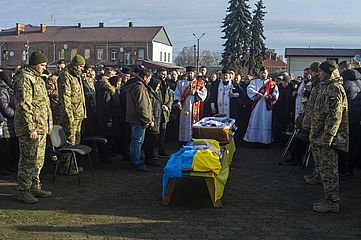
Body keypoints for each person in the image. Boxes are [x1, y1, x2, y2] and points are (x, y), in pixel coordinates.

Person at [13, 52, 53, 203]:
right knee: (28, 160)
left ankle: (35, 186)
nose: (44, 68)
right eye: (42, 65)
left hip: (41, 127)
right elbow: (24, 105)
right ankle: (23, 191)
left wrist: (47, 125)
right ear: (34, 64)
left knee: (38, 160)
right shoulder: (24, 78)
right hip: (30, 128)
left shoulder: (38, 79)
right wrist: (31, 128)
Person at [309, 61, 348, 213]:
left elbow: (334, 116)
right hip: (320, 136)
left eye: (321, 71)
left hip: (329, 139)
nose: (318, 74)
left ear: (328, 72)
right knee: (325, 170)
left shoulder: (334, 89)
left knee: (329, 170)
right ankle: (328, 198)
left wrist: (328, 137)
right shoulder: (325, 87)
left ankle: (332, 201)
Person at [58, 54, 87, 175]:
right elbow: (66, 99)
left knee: (76, 142)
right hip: (70, 117)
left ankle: (72, 164)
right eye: (80, 66)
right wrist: (69, 117)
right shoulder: (66, 75)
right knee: (69, 141)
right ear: (75, 65)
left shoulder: (77, 76)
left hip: (78, 115)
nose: (82, 69)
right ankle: (65, 166)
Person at [124, 68, 154, 171]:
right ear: (145, 77)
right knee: (137, 141)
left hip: (133, 118)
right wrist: (147, 119)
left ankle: (134, 160)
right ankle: (135, 162)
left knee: (135, 140)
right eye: (149, 78)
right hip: (138, 119)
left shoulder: (134, 85)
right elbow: (142, 106)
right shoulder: (139, 88)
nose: (149, 81)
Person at [243, 66, 279, 145]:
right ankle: (252, 140)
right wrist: (257, 94)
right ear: (259, 73)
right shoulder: (254, 82)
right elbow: (249, 89)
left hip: (266, 106)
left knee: (265, 122)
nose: (263, 74)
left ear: (267, 73)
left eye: (265, 73)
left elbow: (276, 94)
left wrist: (269, 97)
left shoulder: (272, 84)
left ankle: (265, 141)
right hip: (257, 106)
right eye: (262, 73)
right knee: (254, 121)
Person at [174, 66, 207, 143]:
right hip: (184, 107)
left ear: (194, 73)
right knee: (184, 124)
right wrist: (177, 101)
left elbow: (204, 94)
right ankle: (184, 141)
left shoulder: (200, 83)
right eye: (188, 73)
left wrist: (195, 93)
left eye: (191, 73)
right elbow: (177, 93)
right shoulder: (181, 83)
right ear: (186, 73)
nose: (190, 74)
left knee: (194, 124)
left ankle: (194, 141)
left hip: (195, 108)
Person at [0, 70, 18, 175]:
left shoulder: (8, 89)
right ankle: (4, 168)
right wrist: (16, 114)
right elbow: (4, 108)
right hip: (5, 123)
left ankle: (9, 167)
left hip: (11, 124)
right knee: (5, 148)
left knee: (10, 147)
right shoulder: (2, 90)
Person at [156, 68, 173, 156]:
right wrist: (160, 106)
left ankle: (161, 149)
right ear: (158, 73)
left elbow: (170, 97)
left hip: (165, 112)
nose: (163, 76)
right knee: (155, 133)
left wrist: (168, 106)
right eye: (162, 74)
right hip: (157, 111)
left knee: (163, 131)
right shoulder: (155, 83)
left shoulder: (167, 84)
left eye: (165, 74)